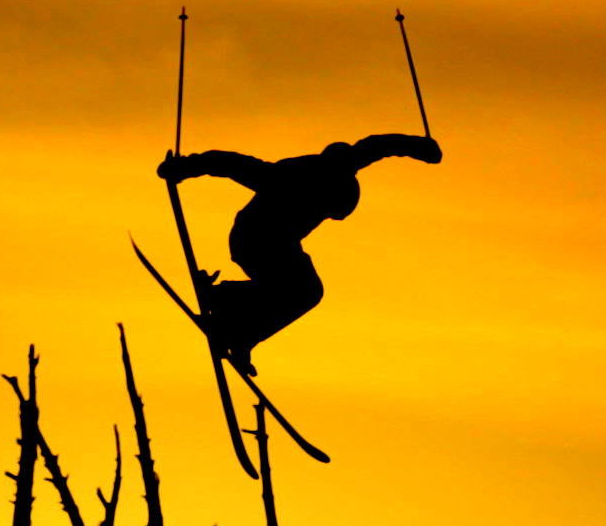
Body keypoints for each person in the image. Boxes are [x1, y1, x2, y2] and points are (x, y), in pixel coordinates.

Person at [157, 133, 441, 376]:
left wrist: (420, 148)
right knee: (303, 289)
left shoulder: (340, 170)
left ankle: (242, 332)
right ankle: (225, 300)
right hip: (255, 239)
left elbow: (384, 146)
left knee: (300, 292)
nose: (325, 216)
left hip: (274, 245)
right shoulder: (298, 175)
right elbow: (232, 164)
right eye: (330, 211)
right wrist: (185, 167)